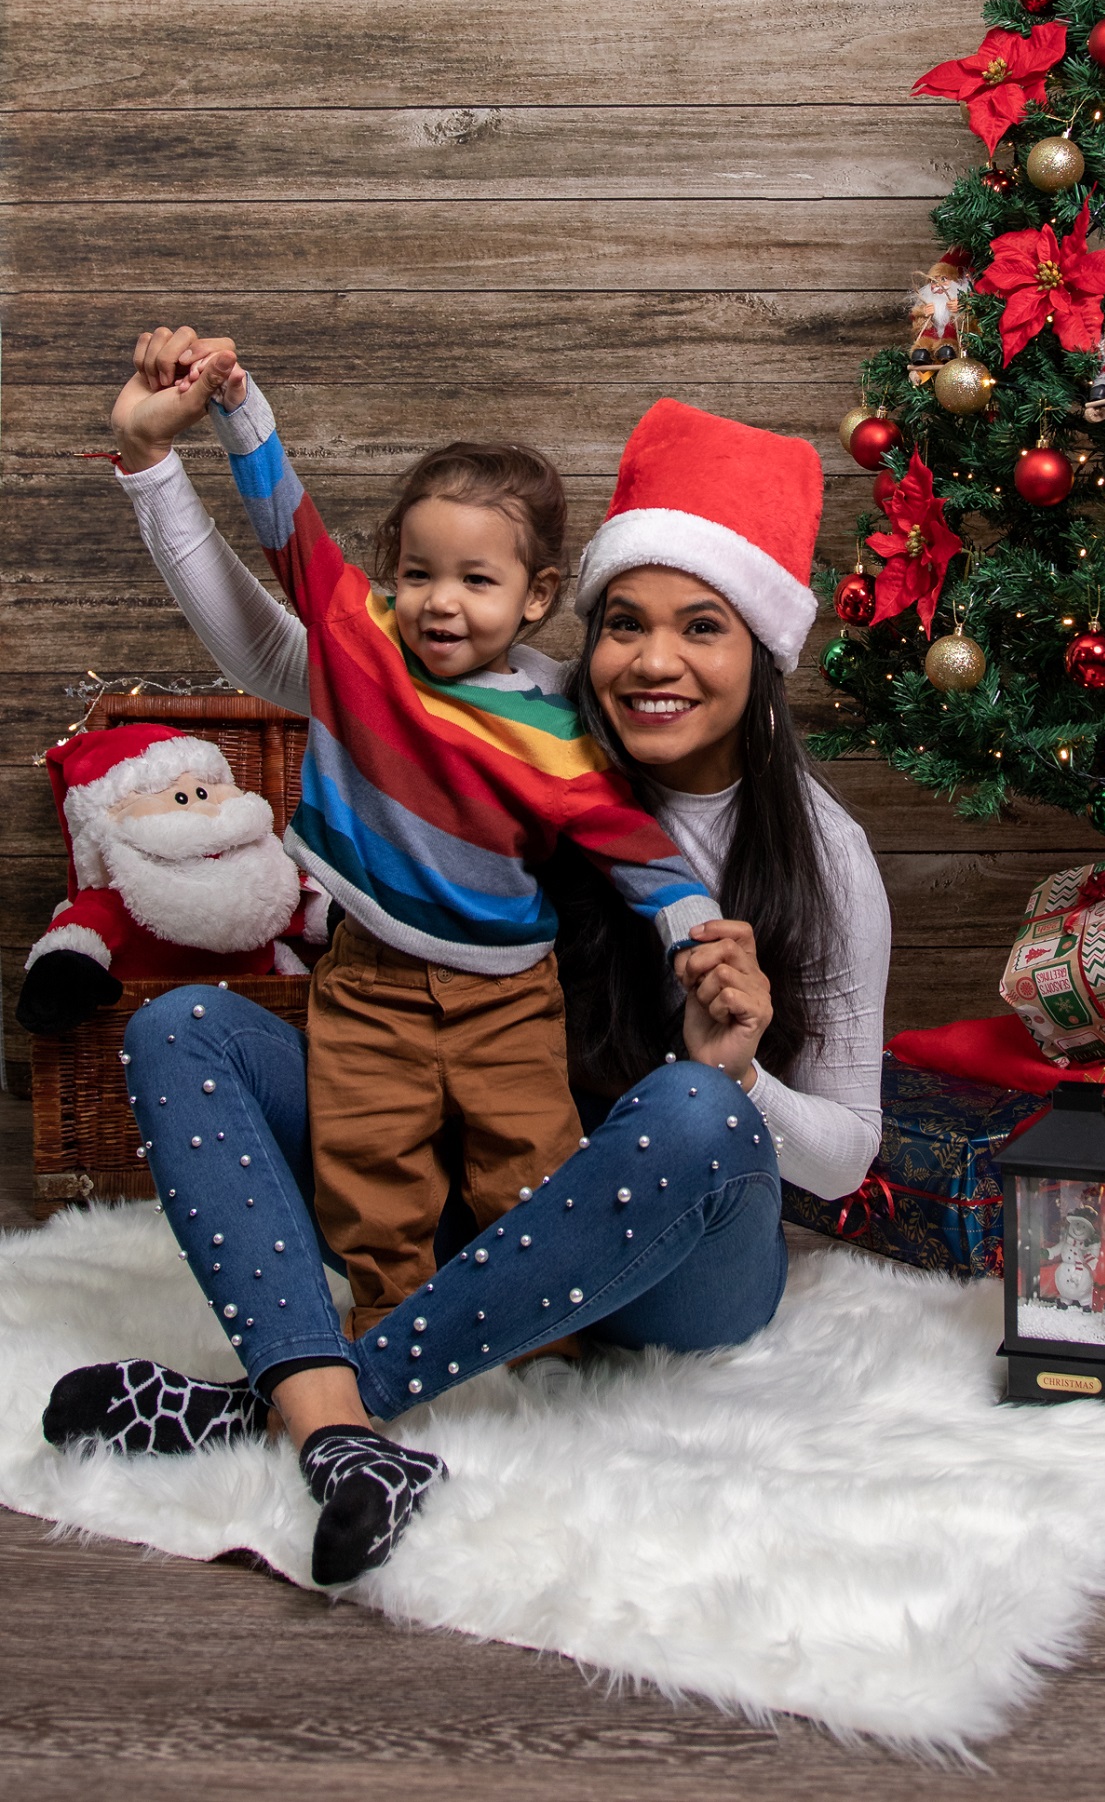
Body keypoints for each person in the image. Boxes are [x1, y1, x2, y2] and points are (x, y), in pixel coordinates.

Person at [45, 330, 889, 1593]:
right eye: (626, 624)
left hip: (667, 1267)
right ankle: (341, 1428)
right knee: (183, 1031)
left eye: (701, 627)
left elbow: (851, 1151)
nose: (654, 663)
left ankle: (310, 1409)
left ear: (762, 653)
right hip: (461, 1195)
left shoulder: (823, 854)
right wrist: (154, 465)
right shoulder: (520, 709)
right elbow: (292, 652)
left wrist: (747, 1077)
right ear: (569, 620)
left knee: (698, 1109)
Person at [131, 341, 721, 1350]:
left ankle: (544, 1343)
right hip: (368, 988)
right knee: (370, 1177)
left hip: (509, 1001)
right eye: (417, 572)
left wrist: (693, 926)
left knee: (534, 1172)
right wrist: (236, 405)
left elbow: (630, 843)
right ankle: (395, 1336)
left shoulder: (558, 725)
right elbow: (286, 524)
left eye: (475, 579)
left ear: (535, 596)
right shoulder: (361, 647)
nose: (440, 600)